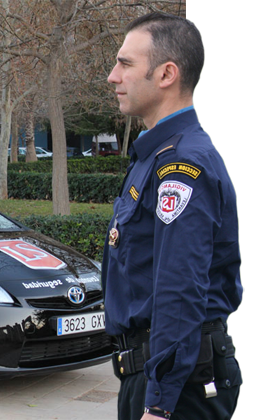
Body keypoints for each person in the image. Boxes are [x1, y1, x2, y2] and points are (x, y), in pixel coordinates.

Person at [103, 12, 243, 420]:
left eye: (125, 64)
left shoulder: (181, 166)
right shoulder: (157, 155)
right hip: (157, 373)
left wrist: (159, 402)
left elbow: (179, 289)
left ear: (166, 74)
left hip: (177, 385)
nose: (113, 76)